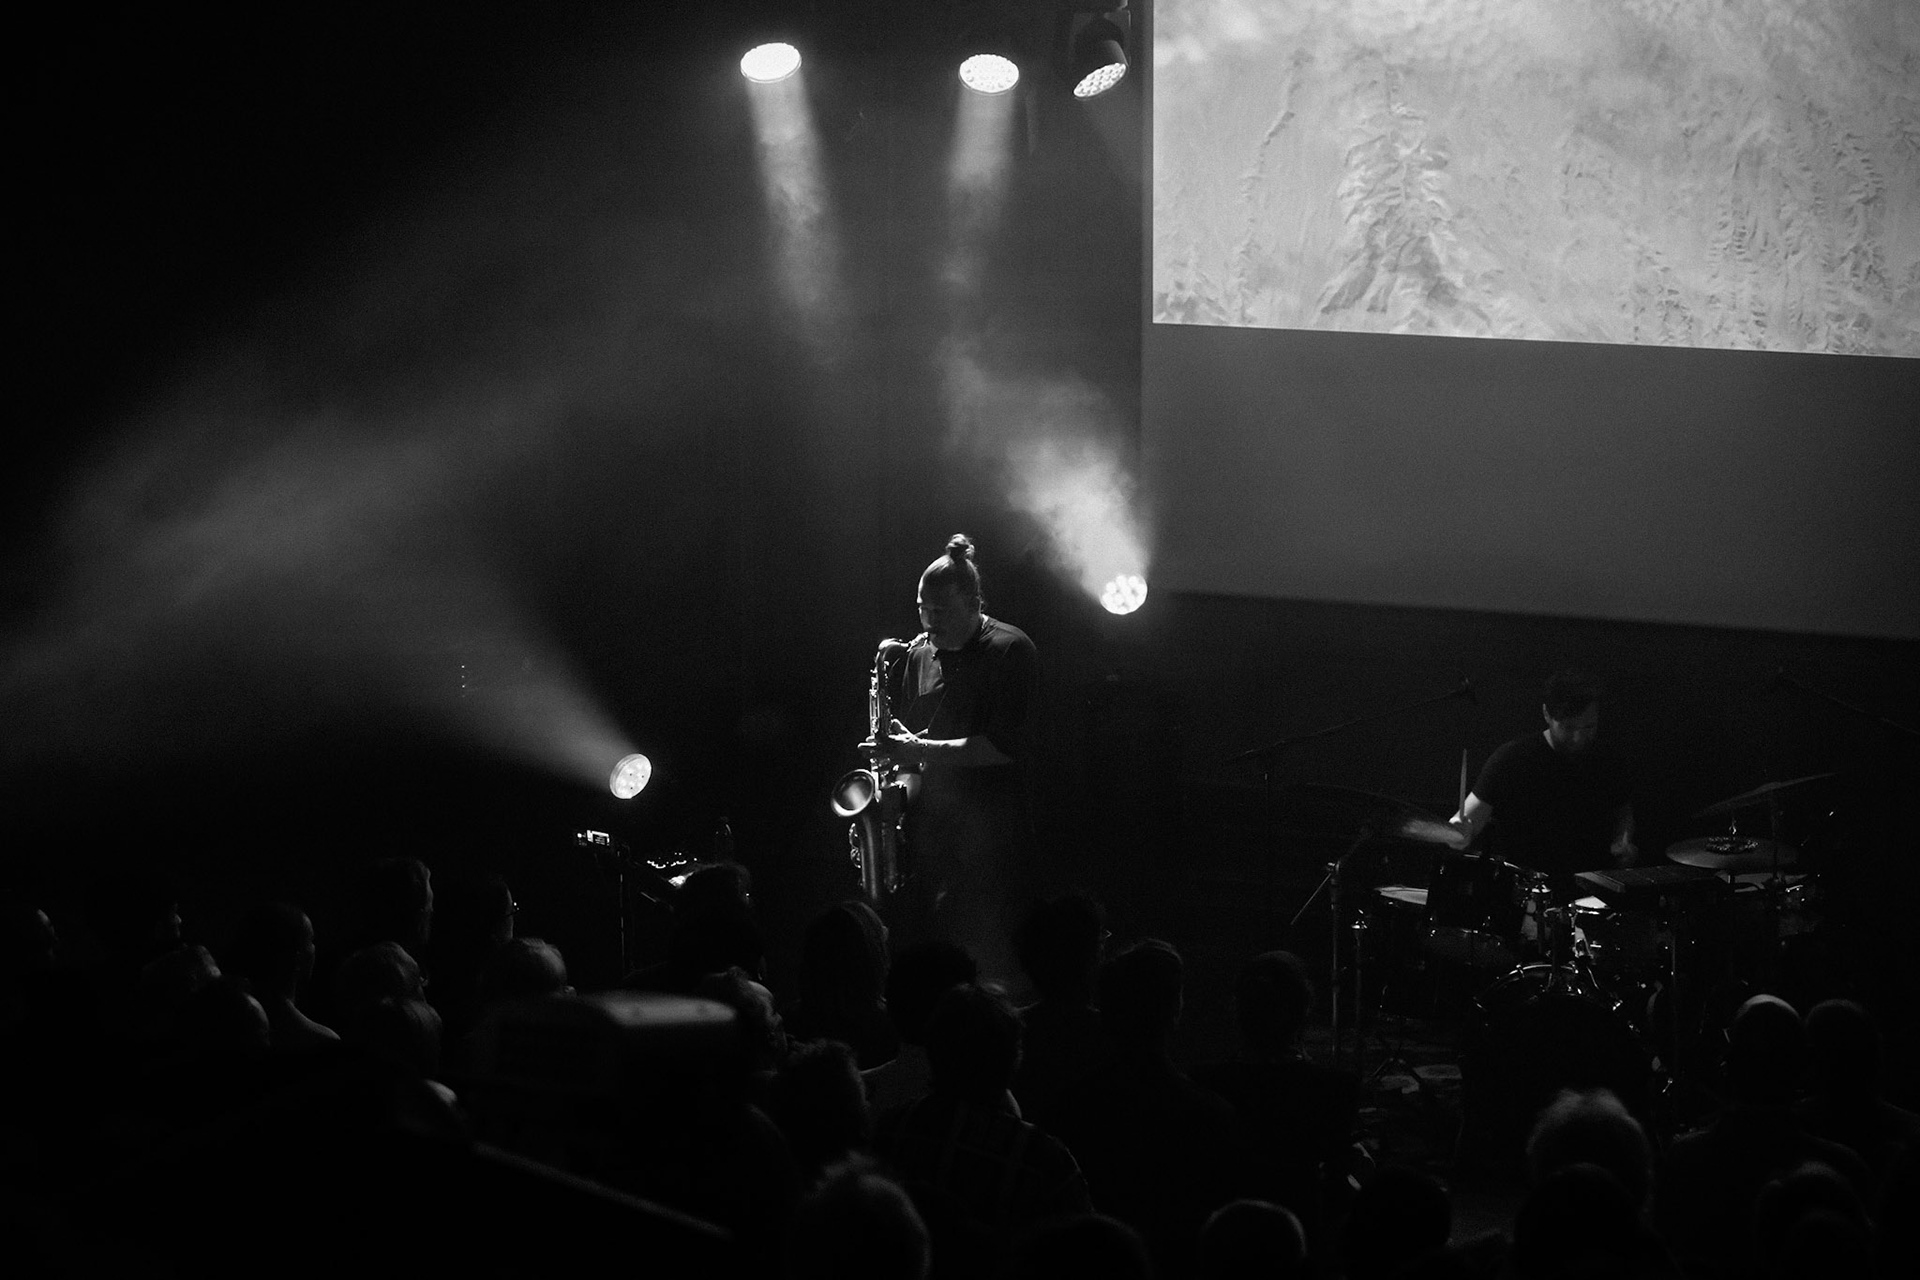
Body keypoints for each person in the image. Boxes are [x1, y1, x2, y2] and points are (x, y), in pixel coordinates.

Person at [875, 533, 1037, 986]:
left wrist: (915, 750)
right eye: (922, 609)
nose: (928, 623)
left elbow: (1000, 747)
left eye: (940, 612)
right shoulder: (919, 654)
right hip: (934, 832)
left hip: (992, 835)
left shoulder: (1009, 650)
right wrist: (893, 798)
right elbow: (914, 748)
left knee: (986, 958)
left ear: (972, 602)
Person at [1448, 669, 1637, 892]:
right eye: (1567, 727)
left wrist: (1624, 842)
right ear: (1547, 714)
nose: (1578, 738)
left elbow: (1623, 812)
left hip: (1592, 892)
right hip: (1525, 894)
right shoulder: (1511, 760)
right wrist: (1457, 833)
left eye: (1588, 727)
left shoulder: (1608, 760)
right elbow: (1463, 826)